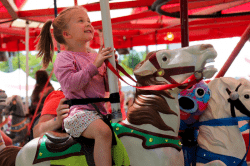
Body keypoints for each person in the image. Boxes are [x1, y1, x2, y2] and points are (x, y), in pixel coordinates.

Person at [36, 6, 114, 166]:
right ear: (66, 34)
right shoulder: (64, 58)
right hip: (78, 113)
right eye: (81, 21)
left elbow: (105, 87)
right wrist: (95, 65)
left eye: (88, 21)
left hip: (99, 112)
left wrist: (111, 68)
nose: (88, 24)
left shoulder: (94, 55)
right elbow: (72, 84)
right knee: (103, 132)